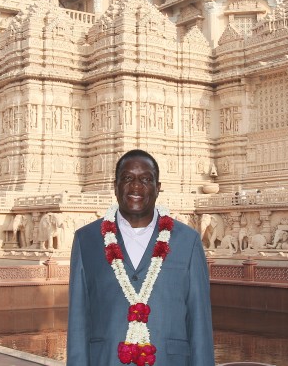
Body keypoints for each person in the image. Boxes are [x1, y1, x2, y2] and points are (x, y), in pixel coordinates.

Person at [67, 149, 214, 365]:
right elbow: (78, 321)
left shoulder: (187, 241)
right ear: (115, 185)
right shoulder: (87, 239)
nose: (136, 186)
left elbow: (199, 321)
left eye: (146, 179)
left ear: (158, 188)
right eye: (128, 178)